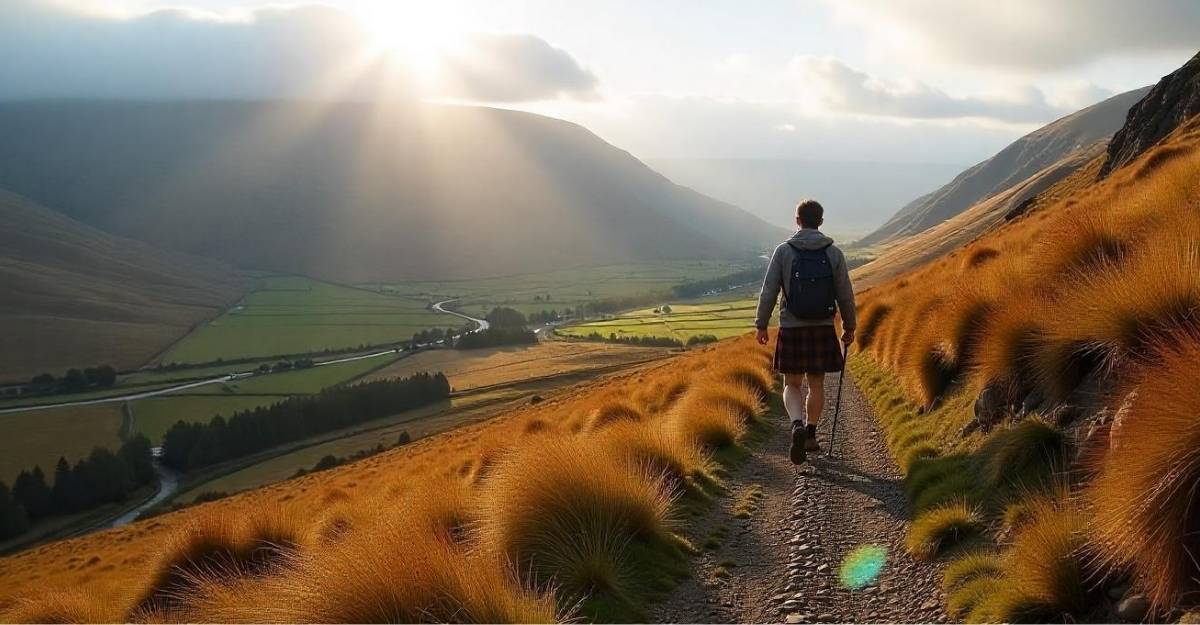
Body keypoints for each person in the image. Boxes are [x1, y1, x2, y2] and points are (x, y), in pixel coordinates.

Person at [755, 199, 856, 464]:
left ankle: (796, 424)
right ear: (820, 221)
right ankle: (811, 434)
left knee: (792, 383)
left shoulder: (783, 252)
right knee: (817, 383)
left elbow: (769, 290)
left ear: (797, 220)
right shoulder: (833, 253)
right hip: (822, 326)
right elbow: (845, 294)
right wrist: (849, 325)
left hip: (792, 326)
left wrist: (761, 324)